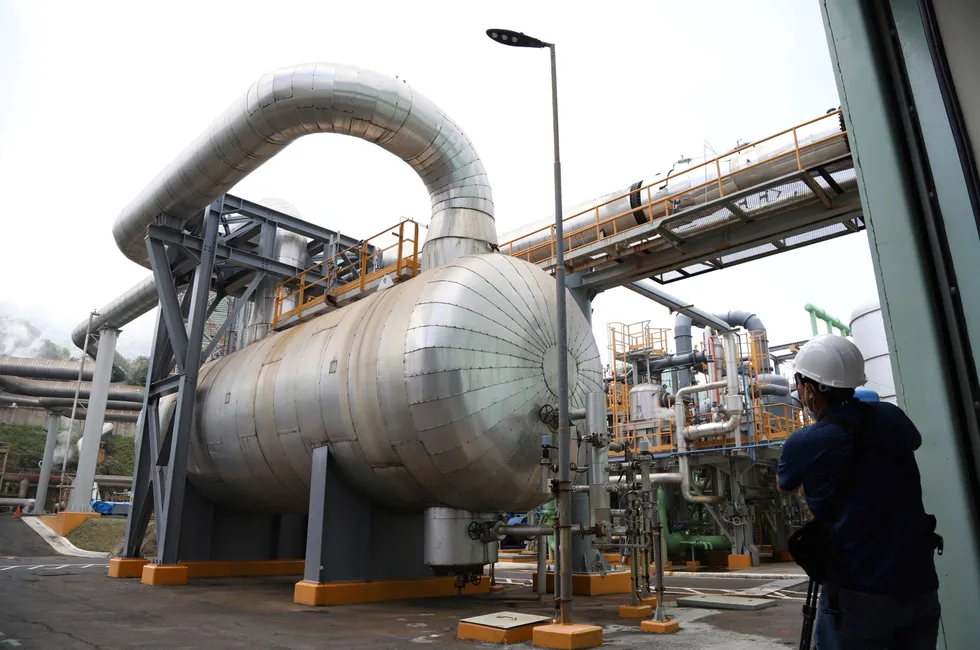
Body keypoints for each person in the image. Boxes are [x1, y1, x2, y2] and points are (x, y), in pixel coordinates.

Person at [777, 334, 941, 649]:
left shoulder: (806, 441)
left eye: (798, 384)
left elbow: (783, 484)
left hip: (858, 593)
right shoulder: (891, 417)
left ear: (810, 390)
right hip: (919, 584)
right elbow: (913, 441)